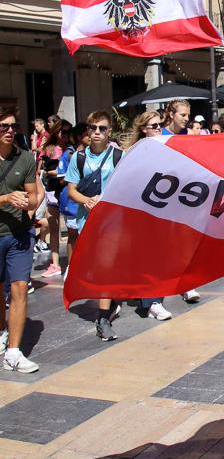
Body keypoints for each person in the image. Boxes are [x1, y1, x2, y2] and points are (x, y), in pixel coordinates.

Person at [65, 111, 123, 341]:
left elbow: (127, 183)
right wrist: (86, 201)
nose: (97, 132)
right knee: (98, 266)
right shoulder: (78, 158)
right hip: (86, 220)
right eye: (93, 128)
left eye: (102, 128)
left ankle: (102, 317)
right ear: (87, 131)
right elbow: (71, 190)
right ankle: (110, 301)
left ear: (109, 131)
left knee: (105, 265)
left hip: (112, 221)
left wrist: (107, 199)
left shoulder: (119, 156)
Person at [122, 112, 174, 320]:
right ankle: (152, 302)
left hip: (162, 209)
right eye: (154, 125)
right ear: (143, 129)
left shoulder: (165, 148)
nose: (158, 128)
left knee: (158, 256)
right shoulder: (134, 152)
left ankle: (148, 297)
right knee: (150, 256)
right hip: (141, 209)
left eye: (160, 124)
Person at [0, 107, 40, 372]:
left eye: (13, 126)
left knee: (20, 287)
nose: (10, 131)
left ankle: (13, 352)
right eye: (3, 127)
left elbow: (34, 195)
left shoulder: (25, 158)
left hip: (19, 234)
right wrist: (4, 198)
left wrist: (29, 202)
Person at [38, 119, 72, 279]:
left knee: (72, 228)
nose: (65, 135)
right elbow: (45, 168)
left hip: (67, 190)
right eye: (62, 132)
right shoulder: (49, 148)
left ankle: (72, 263)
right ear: (56, 131)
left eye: (68, 132)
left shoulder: (72, 149)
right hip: (52, 190)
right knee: (53, 226)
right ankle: (55, 263)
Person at [56, 123, 88, 279]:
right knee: (73, 234)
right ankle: (71, 266)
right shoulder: (69, 154)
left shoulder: (97, 154)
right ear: (79, 137)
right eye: (88, 133)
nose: (93, 135)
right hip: (72, 202)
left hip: (89, 201)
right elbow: (61, 179)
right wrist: (74, 177)